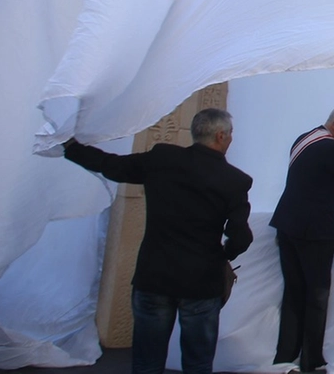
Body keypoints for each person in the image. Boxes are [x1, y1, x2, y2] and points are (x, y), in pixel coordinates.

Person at [62, 108, 251, 374]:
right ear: (221, 136)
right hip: (201, 281)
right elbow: (241, 236)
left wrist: (71, 147)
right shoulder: (235, 181)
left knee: (146, 363)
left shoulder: (163, 158)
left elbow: (113, 166)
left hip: (154, 275)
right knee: (197, 363)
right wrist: (223, 256)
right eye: (230, 135)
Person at [269, 104, 334, 372]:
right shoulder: (332, 148)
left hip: (287, 223)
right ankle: (312, 359)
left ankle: (285, 355)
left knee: (293, 292)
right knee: (317, 294)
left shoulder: (303, 139)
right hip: (315, 231)